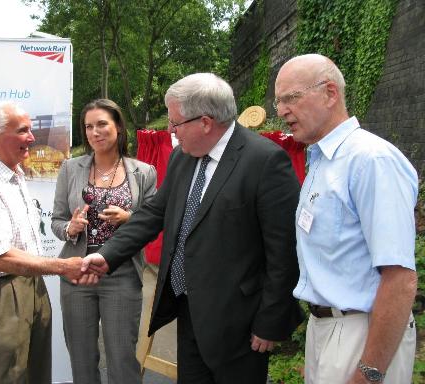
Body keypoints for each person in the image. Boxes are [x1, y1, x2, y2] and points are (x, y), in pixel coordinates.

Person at [80, 73, 303, 383]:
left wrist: (270, 321)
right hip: (188, 310)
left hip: (238, 323)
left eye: (175, 123)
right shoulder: (183, 158)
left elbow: (284, 251)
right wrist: (107, 255)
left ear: (206, 122)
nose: (170, 131)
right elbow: (155, 213)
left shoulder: (264, 161)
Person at [274, 54, 418, 383]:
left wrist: (369, 371)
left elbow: (400, 279)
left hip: (361, 332)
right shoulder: (323, 160)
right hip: (326, 329)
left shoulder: (371, 160)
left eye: (291, 98)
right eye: (278, 100)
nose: (281, 110)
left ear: (330, 93)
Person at [0, 101, 85, 384]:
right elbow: (0, 257)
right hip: (2, 292)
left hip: (30, 285)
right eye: (23, 130)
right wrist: (62, 267)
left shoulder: (12, 173)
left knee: (36, 371)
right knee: (8, 376)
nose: (32, 137)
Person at [51, 99, 157, 384]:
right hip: (77, 271)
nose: (95, 132)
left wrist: (129, 217)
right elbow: (56, 221)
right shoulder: (70, 169)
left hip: (121, 272)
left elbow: (153, 222)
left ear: (118, 127)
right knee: (82, 358)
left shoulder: (144, 172)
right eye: (88, 126)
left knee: (122, 358)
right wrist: (70, 228)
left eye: (102, 124)